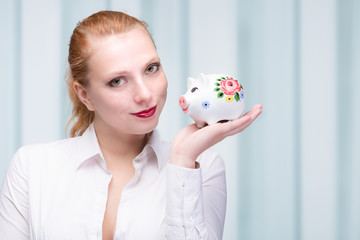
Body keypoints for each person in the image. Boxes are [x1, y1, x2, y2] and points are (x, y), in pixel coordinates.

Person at [0, 10, 262, 240]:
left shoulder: (203, 168)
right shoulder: (32, 168)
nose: (145, 94)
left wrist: (182, 161)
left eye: (151, 68)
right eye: (117, 81)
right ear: (85, 95)